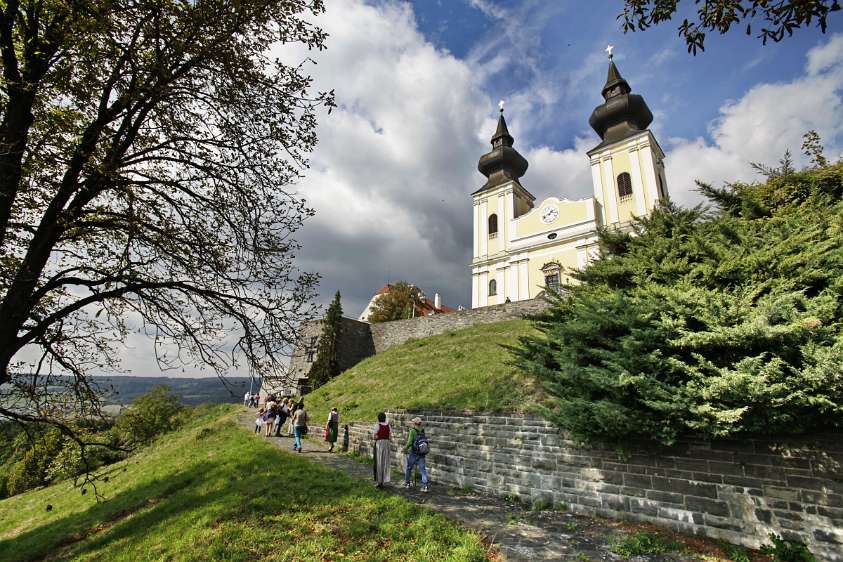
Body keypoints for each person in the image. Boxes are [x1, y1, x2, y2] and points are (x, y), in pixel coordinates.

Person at [404, 416, 429, 493]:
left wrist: (404, 448)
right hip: (422, 453)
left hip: (413, 453)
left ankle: (407, 483)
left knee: (409, 468)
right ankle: (425, 486)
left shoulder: (412, 431)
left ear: (414, 423)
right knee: (423, 470)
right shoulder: (422, 430)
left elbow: (409, 442)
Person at [372, 412, 391, 488]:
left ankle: (379, 482)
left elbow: (375, 436)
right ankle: (384, 480)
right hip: (387, 444)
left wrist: (379, 437)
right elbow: (390, 437)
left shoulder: (377, 425)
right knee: (385, 462)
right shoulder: (388, 426)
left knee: (379, 462)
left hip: (380, 443)